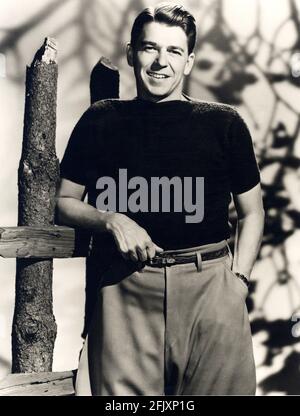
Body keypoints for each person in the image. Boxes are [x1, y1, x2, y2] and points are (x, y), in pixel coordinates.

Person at [56, 2, 265, 396]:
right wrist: (112, 220)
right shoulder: (101, 120)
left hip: (210, 289)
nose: (160, 62)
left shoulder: (223, 123)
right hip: (128, 290)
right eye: (150, 48)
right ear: (131, 52)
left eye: (173, 51)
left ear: (188, 62)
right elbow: (64, 201)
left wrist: (237, 283)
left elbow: (252, 213)